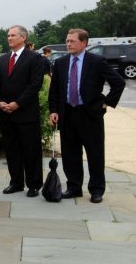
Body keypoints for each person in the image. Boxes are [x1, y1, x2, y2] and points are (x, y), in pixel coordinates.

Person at [49, 28, 125, 203]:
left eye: (72, 41)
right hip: (67, 114)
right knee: (70, 154)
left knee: (95, 154)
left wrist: (105, 103)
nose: (69, 44)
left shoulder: (96, 61)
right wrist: (54, 110)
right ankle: (74, 187)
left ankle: (96, 190)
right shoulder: (60, 63)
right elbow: (55, 91)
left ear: (84, 43)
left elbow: (118, 82)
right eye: (67, 41)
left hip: (90, 115)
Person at [0, 25, 44, 198]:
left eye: (13, 35)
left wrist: (17, 103)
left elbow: (35, 85)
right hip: (6, 114)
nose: (9, 38)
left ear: (23, 38)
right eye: (8, 35)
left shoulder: (34, 58)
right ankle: (16, 182)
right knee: (11, 150)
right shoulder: (3, 59)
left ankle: (34, 184)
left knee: (31, 150)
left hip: (26, 113)